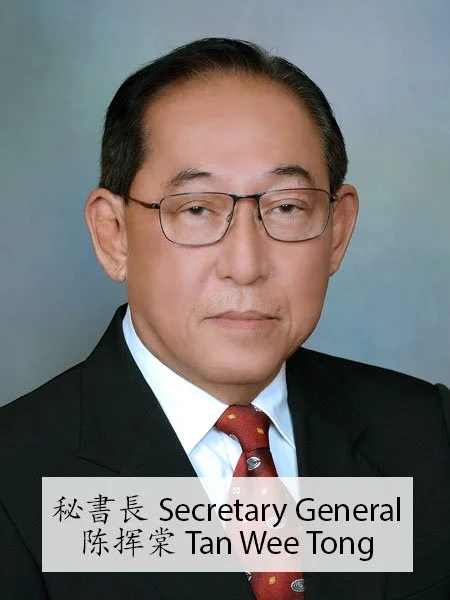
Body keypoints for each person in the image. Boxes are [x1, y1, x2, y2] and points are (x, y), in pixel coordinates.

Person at [0, 37, 449, 600]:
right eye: (196, 209)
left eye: (286, 207)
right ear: (113, 235)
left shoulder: (428, 435)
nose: (246, 265)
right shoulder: (16, 480)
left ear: (337, 231)